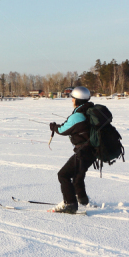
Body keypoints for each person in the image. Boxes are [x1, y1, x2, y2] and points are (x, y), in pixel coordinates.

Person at [48, 86, 95, 214]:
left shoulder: (78, 115)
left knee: (63, 175)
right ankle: (83, 200)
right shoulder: (90, 110)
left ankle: (70, 204)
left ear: (76, 100)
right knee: (78, 175)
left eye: (73, 98)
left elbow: (63, 129)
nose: (72, 100)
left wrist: (54, 127)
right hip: (93, 151)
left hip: (84, 151)